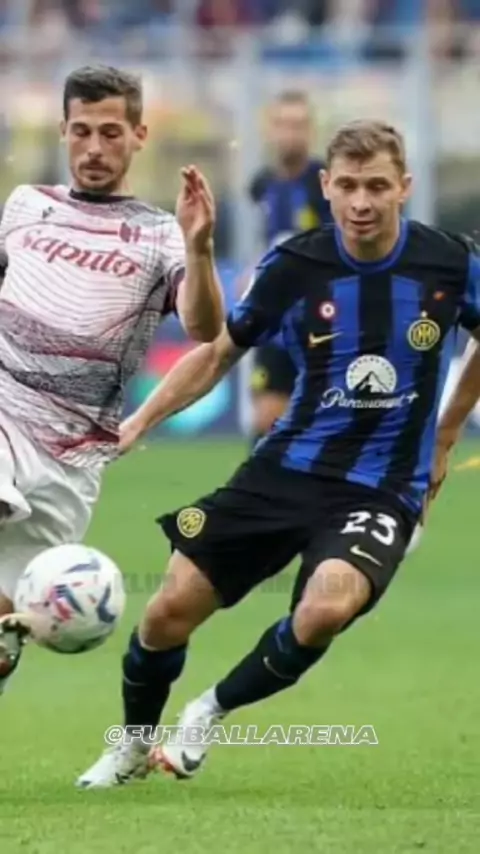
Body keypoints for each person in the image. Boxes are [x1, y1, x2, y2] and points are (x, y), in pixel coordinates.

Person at [77, 119, 480, 788]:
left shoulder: (449, 263)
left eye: (377, 186)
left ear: (404, 187)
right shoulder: (295, 265)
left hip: (381, 487)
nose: (361, 202)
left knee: (324, 609)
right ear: (326, 186)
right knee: (167, 611)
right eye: (348, 186)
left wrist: (447, 428)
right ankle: (131, 746)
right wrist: (141, 419)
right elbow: (218, 353)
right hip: (284, 470)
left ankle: (207, 713)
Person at [0, 64, 224, 694]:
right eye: (81, 131)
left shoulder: (161, 236)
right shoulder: (26, 205)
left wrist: (200, 247)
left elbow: (206, 328)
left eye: (110, 132)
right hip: (6, 413)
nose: (94, 148)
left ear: (139, 135)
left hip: (70, 463)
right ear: (62, 131)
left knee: (4, 634)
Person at [247, 90, 333, 441]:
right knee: (266, 418)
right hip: (275, 317)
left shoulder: (325, 185)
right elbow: (271, 239)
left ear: (310, 131)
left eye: (298, 125)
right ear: (270, 130)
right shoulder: (262, 185)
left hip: (321, 318)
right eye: (283, 124)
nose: (290, 133)